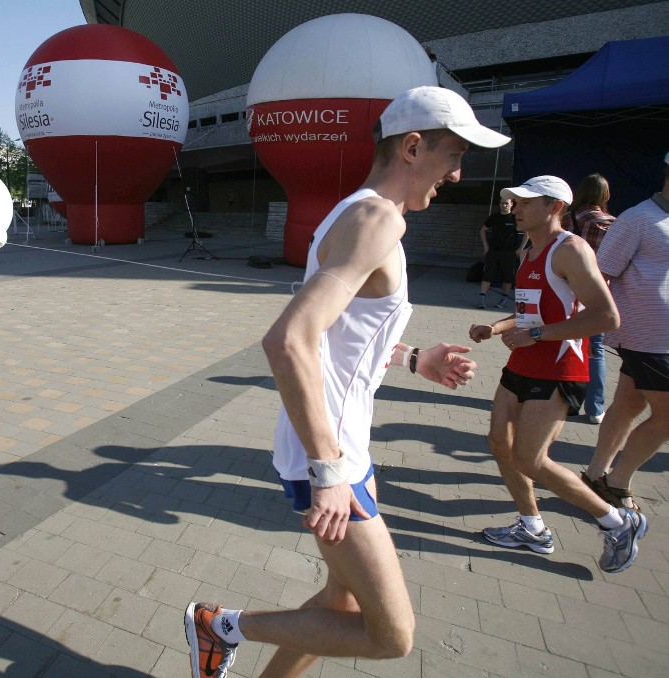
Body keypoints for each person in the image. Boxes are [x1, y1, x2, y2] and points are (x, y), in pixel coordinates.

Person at [185, 85, 510, 678]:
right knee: (391, 635)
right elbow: (288, 340)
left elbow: (344, 335)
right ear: (413, 148)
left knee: (342, 604)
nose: (459, 174)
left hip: (339, 444)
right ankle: (218, 625)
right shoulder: (376, 219)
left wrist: (413, 358)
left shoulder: (358, 212)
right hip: (327, 454)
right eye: (454, 157)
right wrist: (329, 469)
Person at [468, 175, 647, 574]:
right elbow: (533, 313)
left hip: (559, 368)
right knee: (499, 442)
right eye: (515, 202)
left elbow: (606, 316)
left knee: (530, 459)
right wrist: (495, 328)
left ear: (555, 207)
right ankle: (531, 527)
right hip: (522, 363)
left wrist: (535, 335)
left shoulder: (571, 250)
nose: (516, 208)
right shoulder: (527, 250)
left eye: (527, 203)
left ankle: (617, 522)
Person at [581, 152, 669, 512]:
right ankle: (617, 483)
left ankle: (595, 475)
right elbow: (600, 275)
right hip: (646, 337)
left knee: (628, 404)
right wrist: (580, 326)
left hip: (660, 338)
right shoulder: (638, 219)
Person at [562, 173, 615, 423]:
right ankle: (595, 409)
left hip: (567, 291)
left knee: (564, 345)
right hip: (597, 293)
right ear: (605, 195)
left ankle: (565, 400)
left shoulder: (567, 219)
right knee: (596, 353)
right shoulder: (613, 224)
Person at [477, 197, 524, 309]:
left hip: (509, 252)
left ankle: (503, 299)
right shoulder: (494, 217)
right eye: (502, 203)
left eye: (506, 203)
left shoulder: (515, 218)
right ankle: (481, 299)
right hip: (493, 251)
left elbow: (527, 232)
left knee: (507, 277)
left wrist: (521, 248)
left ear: (511, 204)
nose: (504, 205)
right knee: (487, 275)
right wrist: (486, 246)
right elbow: (482, 230)